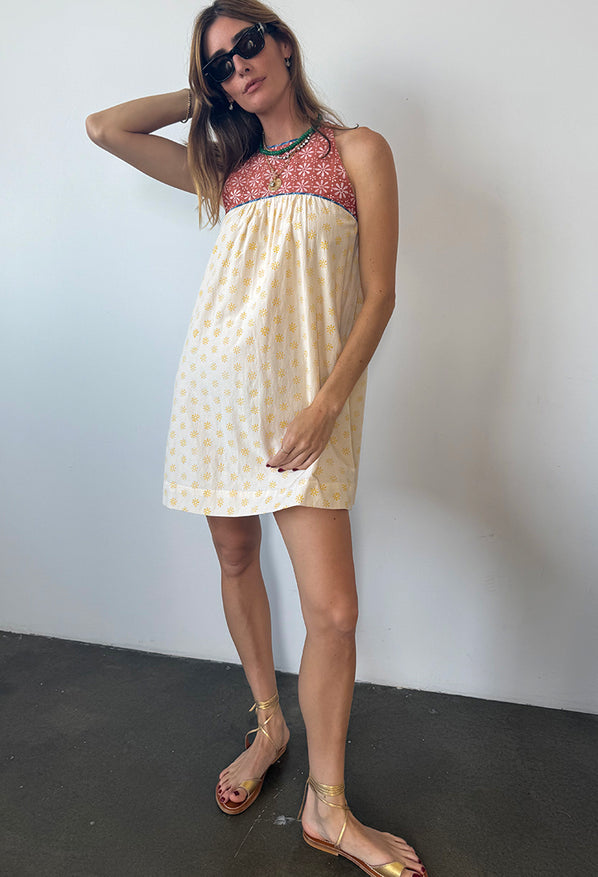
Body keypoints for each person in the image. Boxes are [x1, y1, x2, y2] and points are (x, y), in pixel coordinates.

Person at [86, 2, 427, 874]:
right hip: (214, 399)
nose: (240, 64)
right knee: (236, 560)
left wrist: (325, 405)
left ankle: (330, 804)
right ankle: (270, 726)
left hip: (305, 411)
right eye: (220, 61)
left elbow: (379, 295)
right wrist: (199, 93)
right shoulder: (226, 167)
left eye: (247, 44)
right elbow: (105, 127)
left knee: (335, 612)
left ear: (282, 44)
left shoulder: (359, 152)